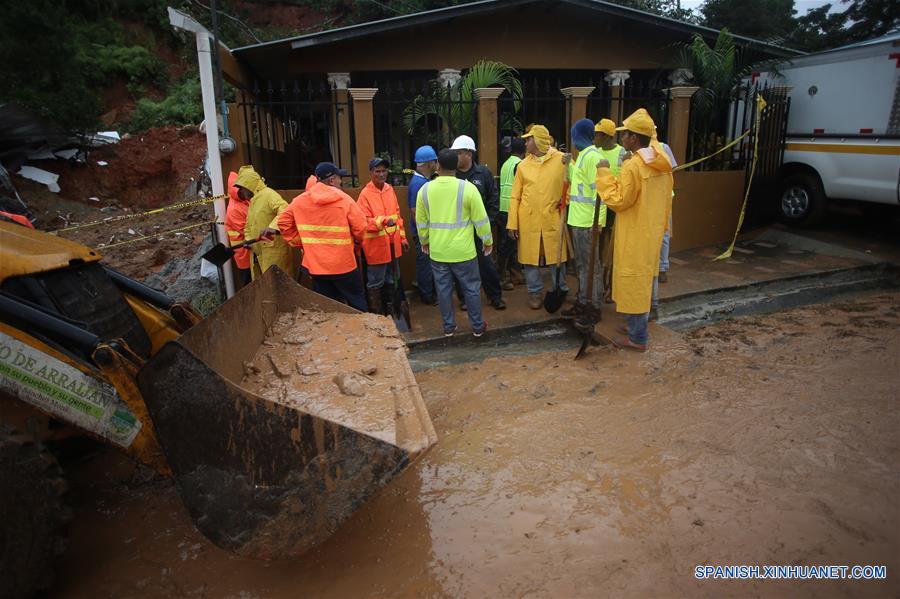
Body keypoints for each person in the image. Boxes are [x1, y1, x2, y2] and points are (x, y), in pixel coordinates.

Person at [595, 109, 674, 351]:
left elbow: (619, 200)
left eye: (625, 134)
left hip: (635, 232)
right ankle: (634, 325)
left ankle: (637, 337)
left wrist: (604, 172)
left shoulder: (634, 167)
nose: (622, 138)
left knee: (633, 280)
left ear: (633, 137)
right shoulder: (661, 162)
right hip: (652, 231)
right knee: (642, 279)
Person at [416, 149, 493, 338]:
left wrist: (424, 241)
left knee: (443, 290)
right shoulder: (468, 189)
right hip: (464, 252)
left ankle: (449, 327)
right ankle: (477, 327)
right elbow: (481, 220)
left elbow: (422, 221)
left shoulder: (424, 190)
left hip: (439, 252)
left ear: (438, 166)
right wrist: (487, 241)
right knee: (472, 289)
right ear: (456, 166)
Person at [275, 162, 368, 311]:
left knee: (326, 309)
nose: (341, 182)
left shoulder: (299, 201)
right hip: (344, 265)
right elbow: (361, 227)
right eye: (339, 178)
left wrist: (303, 243)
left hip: (317, 268)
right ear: (331, 180)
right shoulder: (344, 199)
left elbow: (284, 223)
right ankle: (364, 333)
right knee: (357, 304)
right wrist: (356, 242)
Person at [507, 124, 570, 310]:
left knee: (556, 255)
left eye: (528, 139)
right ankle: (534, 292)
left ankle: (561, 287)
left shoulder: (561, 161)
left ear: (539, 140)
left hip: (553, 216)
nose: (525, 142)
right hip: (528, 218)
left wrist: (565, 200)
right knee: (529, 257)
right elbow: (515, 196)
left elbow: (573, 182)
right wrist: (512, 224)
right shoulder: (523, 166)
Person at [451, 135, 506, 310]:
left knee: (487, 265)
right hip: (459, 231)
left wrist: (487, 222)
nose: (456, 156)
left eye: (459, 153)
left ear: (469, 153)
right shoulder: (452, 175)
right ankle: (464, 299)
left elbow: (493, 199)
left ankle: (495, 296)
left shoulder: (483, 173)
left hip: (480, 231)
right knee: (461, 267)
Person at [561, 118, 605, 324]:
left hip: (589, 223)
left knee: (591, 266)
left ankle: (593, 306)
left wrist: (600, 223)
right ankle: (583, 301)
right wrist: (568, 165)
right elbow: (579, 183)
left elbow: (602, 192)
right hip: (579, 221)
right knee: (581, 265)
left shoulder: (593, 157)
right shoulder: (583, 156)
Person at [356, 157, 408, 314]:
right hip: (376, 249)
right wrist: (383, 221)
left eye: (384, 171)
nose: (381, 174)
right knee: (375, 282)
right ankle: (377, 314)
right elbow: (363, 222)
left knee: (392, 279)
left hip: (394, 246)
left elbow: (398, 216)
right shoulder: (364, 195)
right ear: (371, 173)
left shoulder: (389, 189)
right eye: (377, 171)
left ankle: (392, 310)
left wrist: (403, 238)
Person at [235, 165, 295, 280]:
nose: (241, 191)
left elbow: (285, 210)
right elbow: (248, 225)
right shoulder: (253, 201)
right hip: (258, 253)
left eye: (242, 188)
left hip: (273, 251)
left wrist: (272, 228)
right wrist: (248, 240)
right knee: (265, 286)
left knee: (279, 285)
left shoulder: (269, 195)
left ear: (249, 184)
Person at [593, 118, 628, 304]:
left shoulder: (622, 153)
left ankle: (611, 286)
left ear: (607, 136)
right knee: (598, 248)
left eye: (598, 134)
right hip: (598, 207)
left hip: (613, 207)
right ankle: (599, 285)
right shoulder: (595, 152)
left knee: (612, 248)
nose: (594, 138)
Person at [408, 145, 438, 305]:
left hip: (423, 233)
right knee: (425, 265)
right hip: (422, 234)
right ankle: (427, 296)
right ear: (428, 163)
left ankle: (429, 293)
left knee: (427, 264)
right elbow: (414, 211)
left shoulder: (422, 181)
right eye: (435, 161)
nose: (437, 164)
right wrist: (425, 235)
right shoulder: (418, 184)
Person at [498, 137, 526, 290]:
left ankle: (516, 275)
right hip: (512, 210)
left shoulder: (506, 164)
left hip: (504, 208)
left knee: (510, 244)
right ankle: (500, 277)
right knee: (508, 245)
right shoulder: (520, 165)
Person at [224, 170, 252, 286]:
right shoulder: (234, 209)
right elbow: (247, 230)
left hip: (249, 251)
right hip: (244, 254)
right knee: (249, 284)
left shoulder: (244, 201)